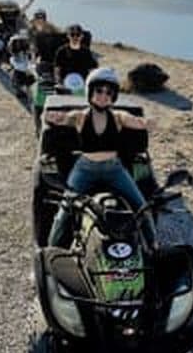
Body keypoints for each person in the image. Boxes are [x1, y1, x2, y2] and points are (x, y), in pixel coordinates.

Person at [44, 68, 156, 248]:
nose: (104, 95)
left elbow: (136, 121)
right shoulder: (80, 116)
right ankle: (51, 251)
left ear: (114, 96)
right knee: (64, 209)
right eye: (99, 90)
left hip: (114, 170)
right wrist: (51, 116)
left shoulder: (119, 117)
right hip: (84, 169)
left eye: (109, 92)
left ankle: (153, 247)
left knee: (142, 207)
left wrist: (147, 122)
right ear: (90, 91)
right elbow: (61, 118)